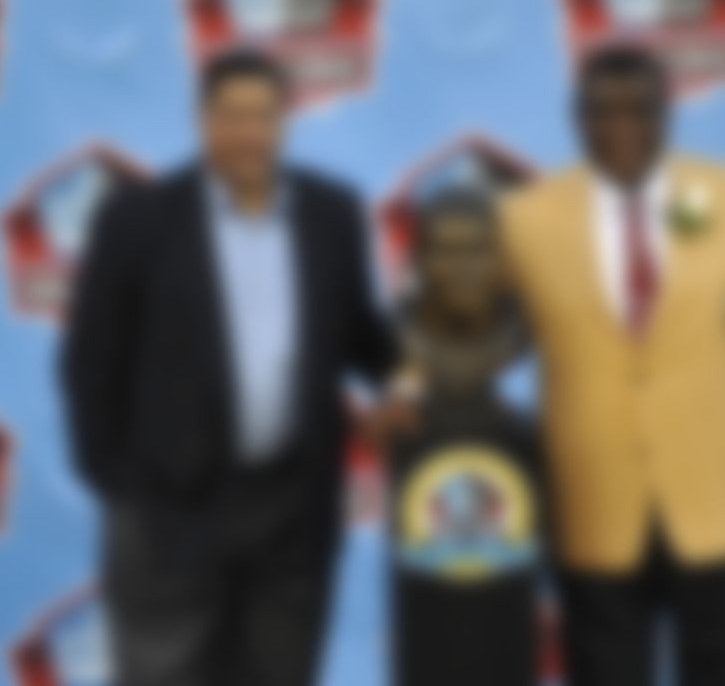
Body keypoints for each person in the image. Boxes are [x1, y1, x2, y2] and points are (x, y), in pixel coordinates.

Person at [498, 44, 725, 686]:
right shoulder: (524, 218)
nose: (621, 125)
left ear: (669, 114)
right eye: (601, 111)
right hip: (593, 513)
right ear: (575, 119)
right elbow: (463, 324)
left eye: (639, 109)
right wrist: (409, 385)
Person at [59, 49, 398, 686]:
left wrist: (410, 380)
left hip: (295, 510)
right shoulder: (136, 219)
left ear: (285, 121)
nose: (249, 133)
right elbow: (90, 363)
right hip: (169, 510)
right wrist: (122, 489)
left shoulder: (333, 215)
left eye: (263, 116)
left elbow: (359, 333)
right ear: (202, 119)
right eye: (232, 116)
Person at [387, 190, 543, 686]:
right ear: (420, 261)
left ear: (501, 261)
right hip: (424, 618)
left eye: (478, 249)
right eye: (446, 250)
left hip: (508, 616)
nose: (464, 266)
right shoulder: (392, 341)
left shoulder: (533, 336)